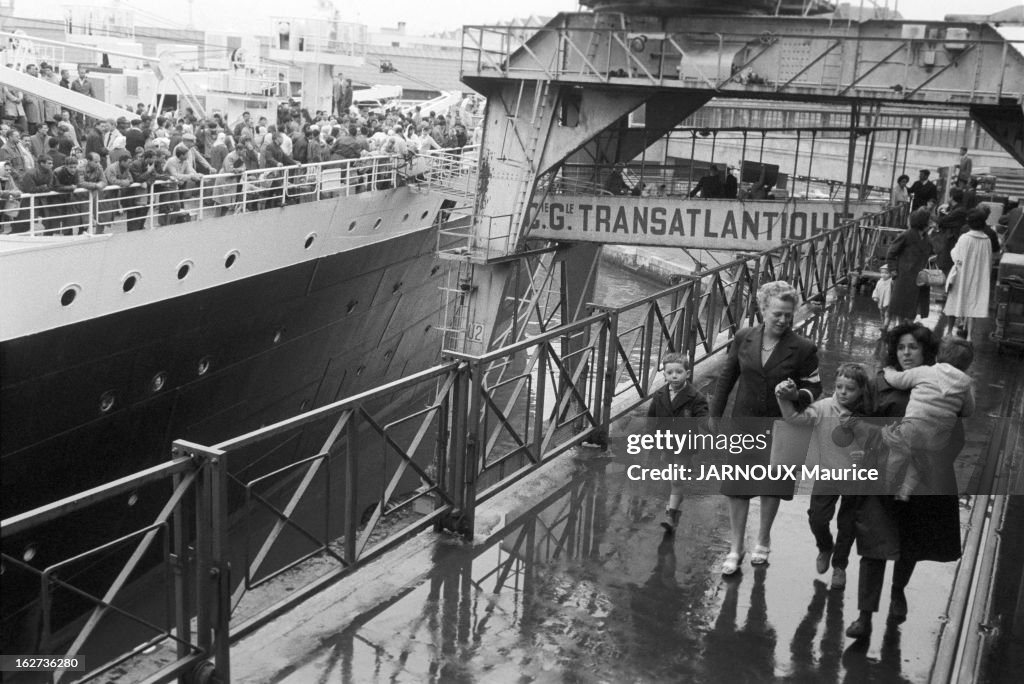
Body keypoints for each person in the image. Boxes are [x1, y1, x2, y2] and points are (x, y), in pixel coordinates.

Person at [844, 323, 963, 640]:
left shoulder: (942, 384)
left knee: (909, 543)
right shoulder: (879, 384)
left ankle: (898, 591)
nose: (906, 353)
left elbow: (956, 436)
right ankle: (864, 617)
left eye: (913, 347)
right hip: (881, 475)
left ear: (926, 351)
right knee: (873, 545)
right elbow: (853, 421)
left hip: (921, 479)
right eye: (901, 348)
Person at [709, 280, 822, 575]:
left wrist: (796, 394)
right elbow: (726, 377)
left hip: (780, 426)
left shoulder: (803, 348)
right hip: (744, 423)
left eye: (788, 314)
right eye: (778, 314)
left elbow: (815, 386)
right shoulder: (744, 337)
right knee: (737, 487)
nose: (784, 320)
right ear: (762, 310)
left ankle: (763, 537)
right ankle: (735, 547)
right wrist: (713, 416)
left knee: (772, 484)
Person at [777, 362, 872, 591]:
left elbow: (879, 440)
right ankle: (825, 546)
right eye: (839, 387)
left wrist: (866, 453)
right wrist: (783, 398)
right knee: (817, 517)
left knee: (848, 524)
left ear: (861, 390)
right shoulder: (824, 407)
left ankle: (840, 566)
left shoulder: (868, 412)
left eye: (849, 388)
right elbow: (796, 419)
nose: (843, 392)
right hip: (827, 473)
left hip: (856, 478)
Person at [881, 337, 974, 500]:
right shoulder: (965, 385)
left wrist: (888, 371)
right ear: (967, 365)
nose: (907, 353)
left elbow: (899, 380)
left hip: (914, 425)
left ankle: (886, 485)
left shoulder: (926, 371)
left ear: (937, 357)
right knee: (918, 464)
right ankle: (905, 492)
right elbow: (968, 411)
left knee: (896, 455)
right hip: (939, 434)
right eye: (901, 348)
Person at [646, 352, 709, 532]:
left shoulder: (695, 397)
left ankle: (671, 515)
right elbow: (652, 418)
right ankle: (675, 503)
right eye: (670, 372)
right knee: (670, 476)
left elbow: (703, 417)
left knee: (676, 480)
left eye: (679, 372)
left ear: (687, 374)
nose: (674, 376)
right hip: (665, 443)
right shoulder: (659, 395)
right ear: (664, 375)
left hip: (684, 445)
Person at [943, 208, 994, 338]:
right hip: (979, 277)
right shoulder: (987, 240)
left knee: (954, 303)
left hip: (962, 275)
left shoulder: (965, 238)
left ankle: (949, 331)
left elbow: (956, 256)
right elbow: (989, 259)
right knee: (973, 304)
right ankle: (970, 334)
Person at [885, 208, 932, 324]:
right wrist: (893, 270)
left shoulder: (927, 238)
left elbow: (932, 252)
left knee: (914, 307)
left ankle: (908, 327)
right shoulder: (906, 235)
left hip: (920, 278)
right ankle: (900, 328)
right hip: (904, 276)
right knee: (901, 309)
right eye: (929, 220)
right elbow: (891, 253)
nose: (931, 222)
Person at [934, 188, 967, 273]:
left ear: (952, 197)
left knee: (946, 264)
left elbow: (942, 221)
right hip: (949, 239)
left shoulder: (959, 211)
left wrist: (930, 214)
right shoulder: (955, 209)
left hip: (952, 240)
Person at [872, 265, 893, 329]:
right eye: (882, 273)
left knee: (887, 314)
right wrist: (875, 296)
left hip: (888, 301)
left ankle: (885, 326)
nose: (884, 275)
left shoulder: (891, 281)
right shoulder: (879, 282)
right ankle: (883, 323)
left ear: (890, 274)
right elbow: (876, 289)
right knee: (882, 313)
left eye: (886, 273)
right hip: (881, 300)